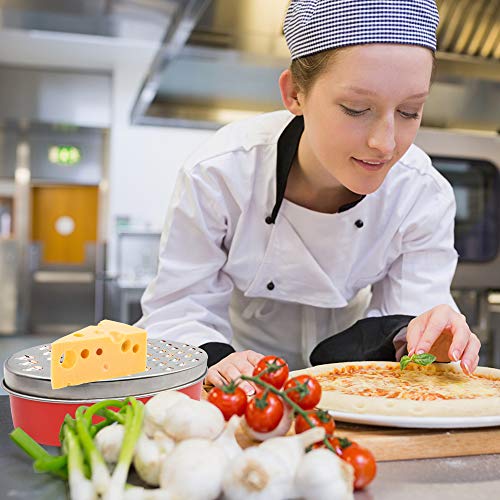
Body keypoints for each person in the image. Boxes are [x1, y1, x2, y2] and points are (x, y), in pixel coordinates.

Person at [136, 0, 481, 394]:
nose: (384, 143)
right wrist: (218, 360)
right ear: (295, 93)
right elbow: (179, 306)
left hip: (355, 371)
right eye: (356, 109)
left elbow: (410, 314)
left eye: (410, 111)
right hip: (239, 375)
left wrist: (430, 335)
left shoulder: (421, 193)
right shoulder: (220, 174)